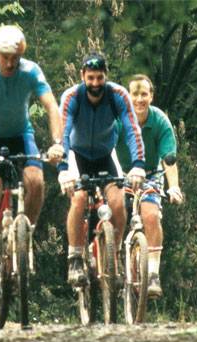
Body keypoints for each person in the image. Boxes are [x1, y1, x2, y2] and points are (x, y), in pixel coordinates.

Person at [0, 25, 64, 295]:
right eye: (4, 57)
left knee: (37, 183)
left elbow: (52, 106)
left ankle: (25, 234)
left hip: (20, 134)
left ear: (21, 54)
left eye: (14, 57)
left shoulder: (31, 72)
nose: (9, 63)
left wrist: (56, 143)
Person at [57, 53, 146, 286]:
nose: (95, 83)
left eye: (100, 78)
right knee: (78, 199)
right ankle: (75, 257)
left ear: (106, 76)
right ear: (82, 76)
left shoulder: (117, 95)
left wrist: (138, 165)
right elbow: (62, 134)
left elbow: (132, 130)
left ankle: (112, 256)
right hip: (78, 155)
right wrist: (63, 169)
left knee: (118, 202)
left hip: (106, 155)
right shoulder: (71, 97)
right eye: (91, 78)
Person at [113, 74, 184, 299]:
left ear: (151, 96)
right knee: (114, 212)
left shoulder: (160, 121)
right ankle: (110, 261)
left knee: (151, 215)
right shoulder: (118, 120)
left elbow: (169, 159)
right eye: (135, 94)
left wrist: (174, 187)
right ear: (128, 96)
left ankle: (152, 274)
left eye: (144, 94)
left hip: (151, 175)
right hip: (120, 173)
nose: (140, 99)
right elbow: (106, 148)